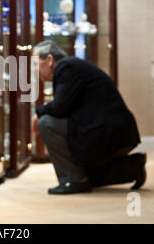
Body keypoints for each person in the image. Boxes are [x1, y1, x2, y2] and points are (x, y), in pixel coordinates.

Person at [32, 40, 146, 195]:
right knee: (89, 177)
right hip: (110, 131)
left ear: (50, 60)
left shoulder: (66, 67)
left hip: (107, 133)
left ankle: (73, 180)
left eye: (35, 63)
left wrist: (39, 113)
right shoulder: (70, 66)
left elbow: (60, 108)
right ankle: (133, 168)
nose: (34, 70)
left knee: (45, 123)